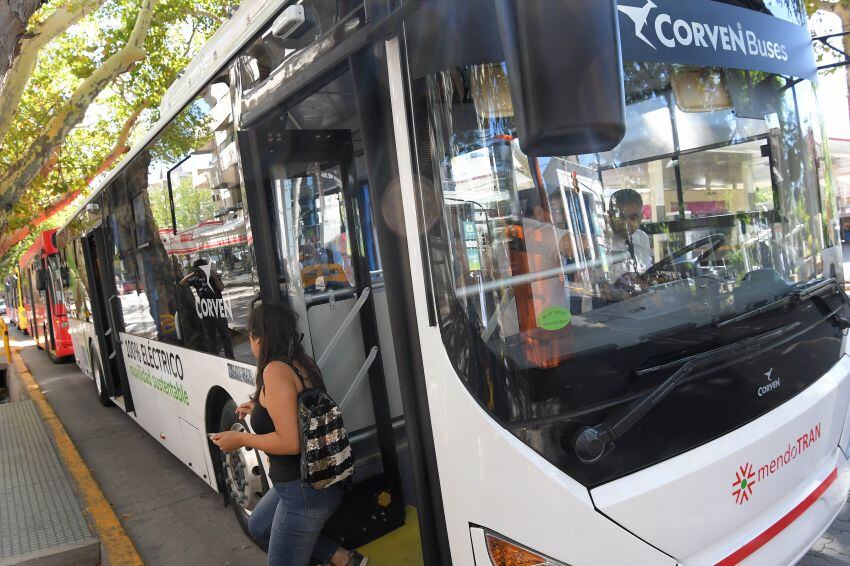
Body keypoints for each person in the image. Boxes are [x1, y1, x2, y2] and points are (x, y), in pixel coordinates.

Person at [210, 302, 366, 566]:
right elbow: (299, 409)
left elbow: (291, 442)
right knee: (259, 526)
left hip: (302, 491)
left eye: (251, 335)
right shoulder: (302, 363)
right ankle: (342, 558)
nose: (250, 342)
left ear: (259, 338)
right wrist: (259, 409)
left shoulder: (274, 371)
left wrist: (241, 439)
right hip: (314, 480)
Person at [179, 258, 234, 358]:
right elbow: (182, 283)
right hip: (207, 313)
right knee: (211, 338)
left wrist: (212, 274)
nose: (201, 272)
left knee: (226, 336)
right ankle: (214, 357)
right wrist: (193, 273)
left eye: (202, 270)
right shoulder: (196, 280)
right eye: (199, 270)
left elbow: (221, 288)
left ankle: (230, 357)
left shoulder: (213, 278)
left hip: (218, 312)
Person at [607, 188, 653, 280]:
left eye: (633, 218)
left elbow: (647, 269)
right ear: (610, 216)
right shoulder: (601, 244)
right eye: (620, 217)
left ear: (641, 217)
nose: (626, 224)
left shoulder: (642, 237)